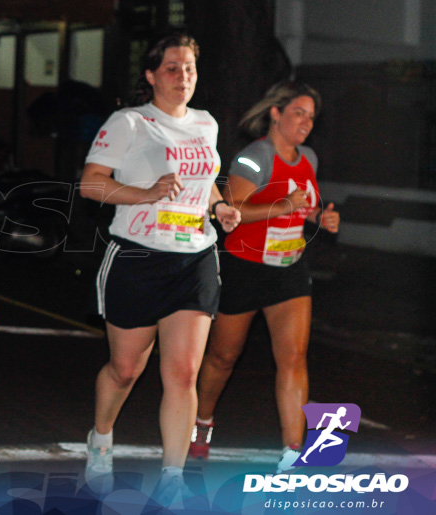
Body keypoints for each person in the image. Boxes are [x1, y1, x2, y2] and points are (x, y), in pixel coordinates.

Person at [78, 33, 240, 504]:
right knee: (125, 369)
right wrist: (146, 193)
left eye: (189, 68)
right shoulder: (129, 122)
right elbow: (91, 185)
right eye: (172, 68)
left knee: (184, 374)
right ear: (151, 75)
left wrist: (219, 208)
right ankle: (102, 438)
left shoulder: (205, 124)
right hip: (138, 257)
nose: (183, 76)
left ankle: (173, 476)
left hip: (195, 257)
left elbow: (204, 183)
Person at [190, 81, 339, 472]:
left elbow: (303, 205)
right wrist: (281, 205)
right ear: (276, 113)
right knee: (223, 357)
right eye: (298, 113)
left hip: (290, 270)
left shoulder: (308, 157)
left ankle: (293, 454)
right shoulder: (254, 158)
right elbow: (232, 211)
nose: (306, 123)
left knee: (293, 359)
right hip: (245, 268)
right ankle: (201, 423)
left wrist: (318, 217)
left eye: (311, 117)